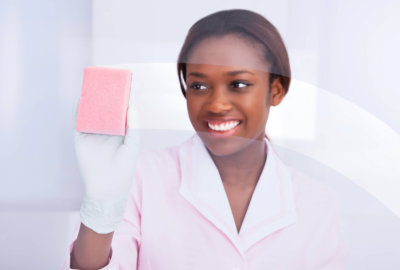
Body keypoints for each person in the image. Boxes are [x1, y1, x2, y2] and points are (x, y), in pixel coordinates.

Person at [63, 9, 348, 270]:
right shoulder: (139, 178)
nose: (217, 104)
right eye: (199, 85)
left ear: (276, 90)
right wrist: (100, 210)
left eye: (238, 84)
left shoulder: (316, 203)